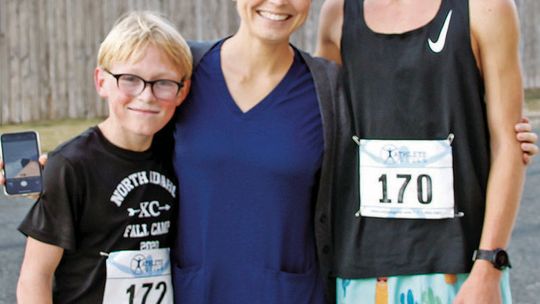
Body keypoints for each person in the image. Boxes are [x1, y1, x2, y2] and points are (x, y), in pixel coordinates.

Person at [316, 0, 535, 302]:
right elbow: (325, 132)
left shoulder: (486, 8)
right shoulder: (337, 13)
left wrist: (489, 264)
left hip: (461, 268)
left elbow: (507, 144)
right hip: (359, 270)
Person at [169, 0, 343, 303]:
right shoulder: (184, 69)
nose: (278, 2)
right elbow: (124, 142)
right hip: (196, 290)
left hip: (290, 293)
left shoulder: (329, 88)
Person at [14, 11, 192, 303]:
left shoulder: (179, 154)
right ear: (101, 82)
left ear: (182, 91)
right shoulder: (70, 165)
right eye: (130, 79)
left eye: (163, 82)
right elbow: (36, 276)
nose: (146, 96)